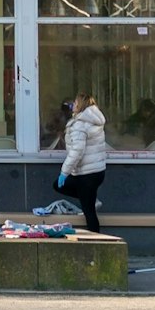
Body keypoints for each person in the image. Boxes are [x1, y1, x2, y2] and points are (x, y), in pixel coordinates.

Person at [56, 93, 108, 232]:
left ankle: (96, 243)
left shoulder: (80, 124)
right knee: (61, 186)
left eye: (75, 102)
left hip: (87, 174)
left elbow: (76, 152)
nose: (73, 105)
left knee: (89, 211)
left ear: (80, 105)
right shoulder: (94, 121)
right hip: (96, 171)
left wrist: (64, 172)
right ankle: (93, 199)